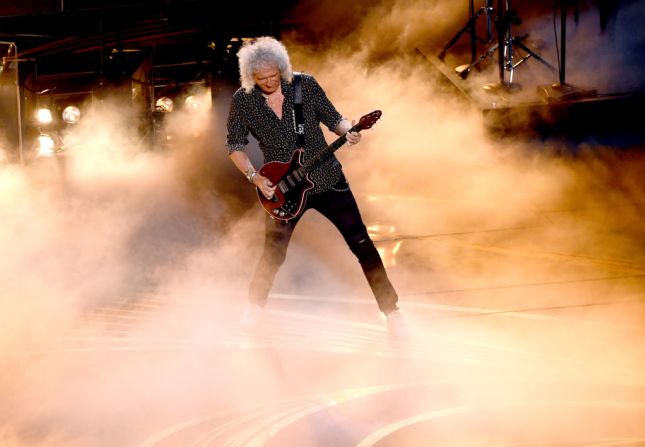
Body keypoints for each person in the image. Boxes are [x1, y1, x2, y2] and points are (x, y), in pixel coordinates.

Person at [225, 36, 408, 338]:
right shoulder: (243, 100)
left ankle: (392, 312)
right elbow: (234, 145)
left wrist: (350, 131)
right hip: (282, 189)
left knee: (361, 243)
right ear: (250, 77)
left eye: (274, 75)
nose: (269, 82)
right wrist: (255, 178)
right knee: (273, 252)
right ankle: (254, 307)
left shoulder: (304, 86)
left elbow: (334, 119)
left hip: (327, 179)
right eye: (262, 78)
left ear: (282, 68)